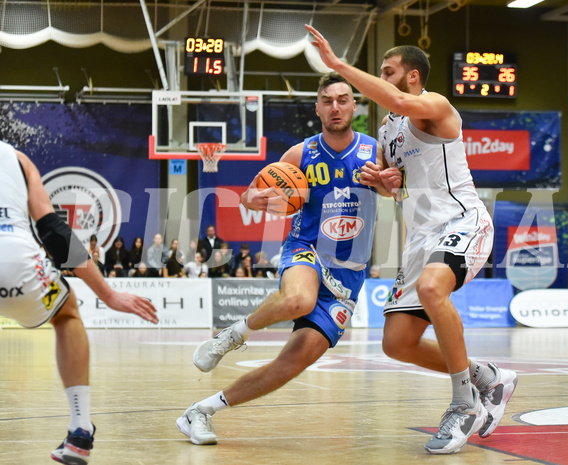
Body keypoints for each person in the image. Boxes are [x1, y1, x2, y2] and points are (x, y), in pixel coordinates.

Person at [305, 26, 518, 455]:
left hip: (463, 220)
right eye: (380, 72)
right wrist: (382, 181)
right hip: (420, 237)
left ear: (413, 76)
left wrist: (339, 66)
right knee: (397, 342)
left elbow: (400, 101)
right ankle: (487, 377)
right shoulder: (386, 130)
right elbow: (392, 186)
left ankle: (463, 405)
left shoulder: (435, 105)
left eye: (389, 71)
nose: (383, 79)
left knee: (431, 288)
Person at [176, 72, 382, 446]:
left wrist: (391, 183)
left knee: (291, 365)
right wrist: (251, 199)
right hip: (306, 248)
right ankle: (232, 335)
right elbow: (250, 195)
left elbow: (396, 187)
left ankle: (201, 411)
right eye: (327, 100)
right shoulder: (300, 154)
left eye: (342, 99)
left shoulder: (375, 151)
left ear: (354, 105)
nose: (335, 107)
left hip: (348, 274)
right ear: (317, 108)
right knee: (297, 299)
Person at [0, 141, 158, 465]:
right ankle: (79, 431)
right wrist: (108, 294)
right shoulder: (14, 158)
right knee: (67, 312)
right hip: (14, 262)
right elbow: (54, 232)